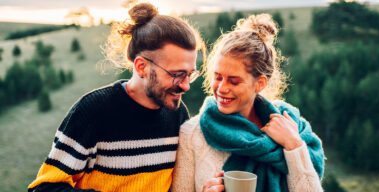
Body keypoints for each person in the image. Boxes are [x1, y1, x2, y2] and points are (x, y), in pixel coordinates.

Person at [28, 3, 204, 192]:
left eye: (190, 74)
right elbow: (44, 188)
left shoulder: (177, 115)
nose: (185, 85)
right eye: (177, 74)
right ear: (141, 67)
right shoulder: (93, 111)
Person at [171, 13, 324, 192]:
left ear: (260, 83)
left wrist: (293, 145)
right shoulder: (192, 134)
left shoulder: (292, 128)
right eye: (218, 77)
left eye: (234, 81)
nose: (221, 88)